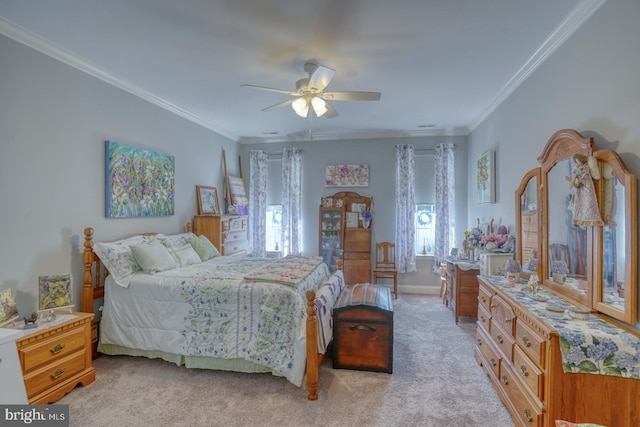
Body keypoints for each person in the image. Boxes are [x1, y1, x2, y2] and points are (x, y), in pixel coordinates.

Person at [566, 153, 604, 226]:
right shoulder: (576, 168)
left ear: (582, 160)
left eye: (578, 161)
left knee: (588, 198)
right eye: (576, 161)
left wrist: (581, 178)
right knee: (580, 199)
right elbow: (575, 176)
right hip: (580, 185)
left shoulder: (585, 167)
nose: (577, 162)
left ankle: (591, 216)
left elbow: (586, 173)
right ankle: (582, 216)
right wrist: (574, 182)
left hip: (586, 182)